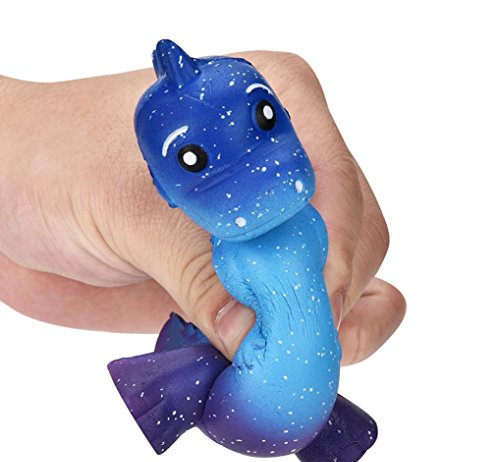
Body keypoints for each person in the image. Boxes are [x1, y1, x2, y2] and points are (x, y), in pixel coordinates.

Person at [0, 50, 405, 363]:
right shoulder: (229, 264)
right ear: (162, 188)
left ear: (285, 115)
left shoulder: (306, 228)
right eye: (189, 159)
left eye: (267, 118)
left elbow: (20, 278)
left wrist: (24, 281)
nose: (254, 182)